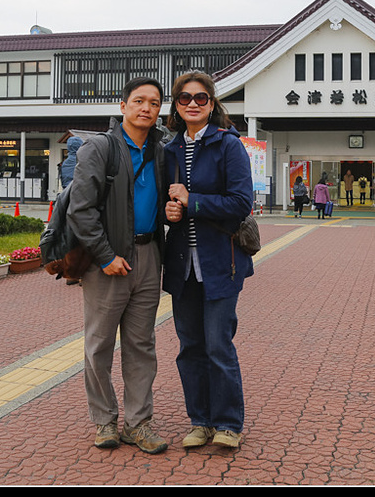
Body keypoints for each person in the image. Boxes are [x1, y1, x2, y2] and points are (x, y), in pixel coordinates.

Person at [67, 76, 169, 455]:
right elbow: (81, 209)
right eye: (139, 101)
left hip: (148, 256)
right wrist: (106, 255)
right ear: (122, 105)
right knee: (99, 344)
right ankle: (105, 420)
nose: (146, 108)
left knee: (142, 345)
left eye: (154, 103)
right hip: (107, 260)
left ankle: (138, 424)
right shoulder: (100, 148)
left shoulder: (163, 149)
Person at [163, 71, 255, 450]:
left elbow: (240, 204)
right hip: (183, 265)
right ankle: (200, 420)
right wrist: (169, 211)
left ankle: (228, 423)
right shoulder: (168, 150)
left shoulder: (228, 145)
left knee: (219, 345)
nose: (193, 104)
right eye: (185, 99)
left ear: (212, 104)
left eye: (201, 98)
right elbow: (166, 204)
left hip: (221, 263)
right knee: (189, 347)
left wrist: (192, 200)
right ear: (176, 106)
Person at [59, 135, 86, 285]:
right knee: (83, 239)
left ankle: (70, 274)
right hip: (80, 203)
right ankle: (82, 274)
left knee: (69, 239)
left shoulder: (64, 164)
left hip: (65, 204)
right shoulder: (82, 161)